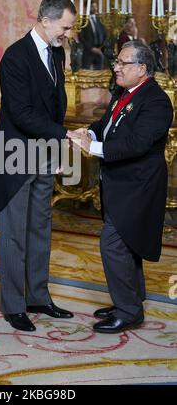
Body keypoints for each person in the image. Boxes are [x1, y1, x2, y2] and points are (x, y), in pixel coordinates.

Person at [0, 0, 77, 332]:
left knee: (40, 228)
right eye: (65, 27)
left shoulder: (57, 52)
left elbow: (55, 104)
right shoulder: (14, 57)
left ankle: (38, 296)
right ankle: (14, 305)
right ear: (46, 19)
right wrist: (63, 135)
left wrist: (55, 150)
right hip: (16, 153)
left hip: (43, 154)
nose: (67, 33)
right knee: (14, 235)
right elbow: (21, 114)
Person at [74, 41, 173, 333]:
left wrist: (93, 147)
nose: (116, 67)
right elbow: (107, 123)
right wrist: (89, 131)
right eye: (116, 62)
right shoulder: (126, 92)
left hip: (139, 185)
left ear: (142, 69)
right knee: (128, 242)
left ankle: (129, 311)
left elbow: (137, 144)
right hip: (121, 183)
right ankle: (129, 299)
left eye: (123, 63)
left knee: (113, 243)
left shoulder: (155, 100)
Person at [79, 1, 107, 69]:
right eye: (92, 7)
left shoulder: (100, 19)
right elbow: (81, 38)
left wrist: (101, 48)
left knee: (99, 73)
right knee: (86, 73)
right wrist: (92, 48)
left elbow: (104, 34)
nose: (95, 8)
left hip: (99, 51)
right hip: (88, 52)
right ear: (87, 7)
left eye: (95, 6)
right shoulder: (83, 21)